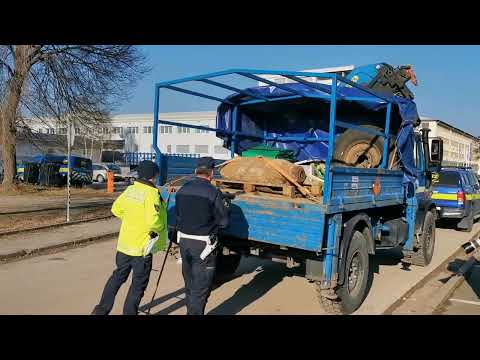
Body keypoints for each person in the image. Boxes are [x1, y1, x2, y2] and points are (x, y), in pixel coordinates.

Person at [92, 160, 167, 315]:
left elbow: (116, 209)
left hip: (125, 245)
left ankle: (101, 310)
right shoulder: (151, 193)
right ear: (153, 176)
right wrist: (161, 227)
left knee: (117, 278)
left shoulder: (130, 190)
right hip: (142, 249)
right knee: (138, 285)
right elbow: (154, 221)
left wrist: (131, 220)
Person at [174, 156, 229, 315]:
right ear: (211, 173)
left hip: (184, 243)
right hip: (203, 247)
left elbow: (178, 216)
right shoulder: (213, 192)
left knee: (190, 286)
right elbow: (224, 222)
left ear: (196, 171)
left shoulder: (182, 189)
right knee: (200, 290)